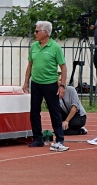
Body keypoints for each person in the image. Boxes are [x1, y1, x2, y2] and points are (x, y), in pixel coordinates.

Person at [22, 20, 69, 152]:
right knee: (34, 111)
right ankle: (38, 138)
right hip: (36, 83)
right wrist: (26, 81)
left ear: (46, 32)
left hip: (50, 83)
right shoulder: (34, 46)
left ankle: (59, 138)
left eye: (37, 31)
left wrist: (62, 85)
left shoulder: (55, 47)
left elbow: (63, 67)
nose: (35, 33)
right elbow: (30, 65)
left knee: (54, 111)